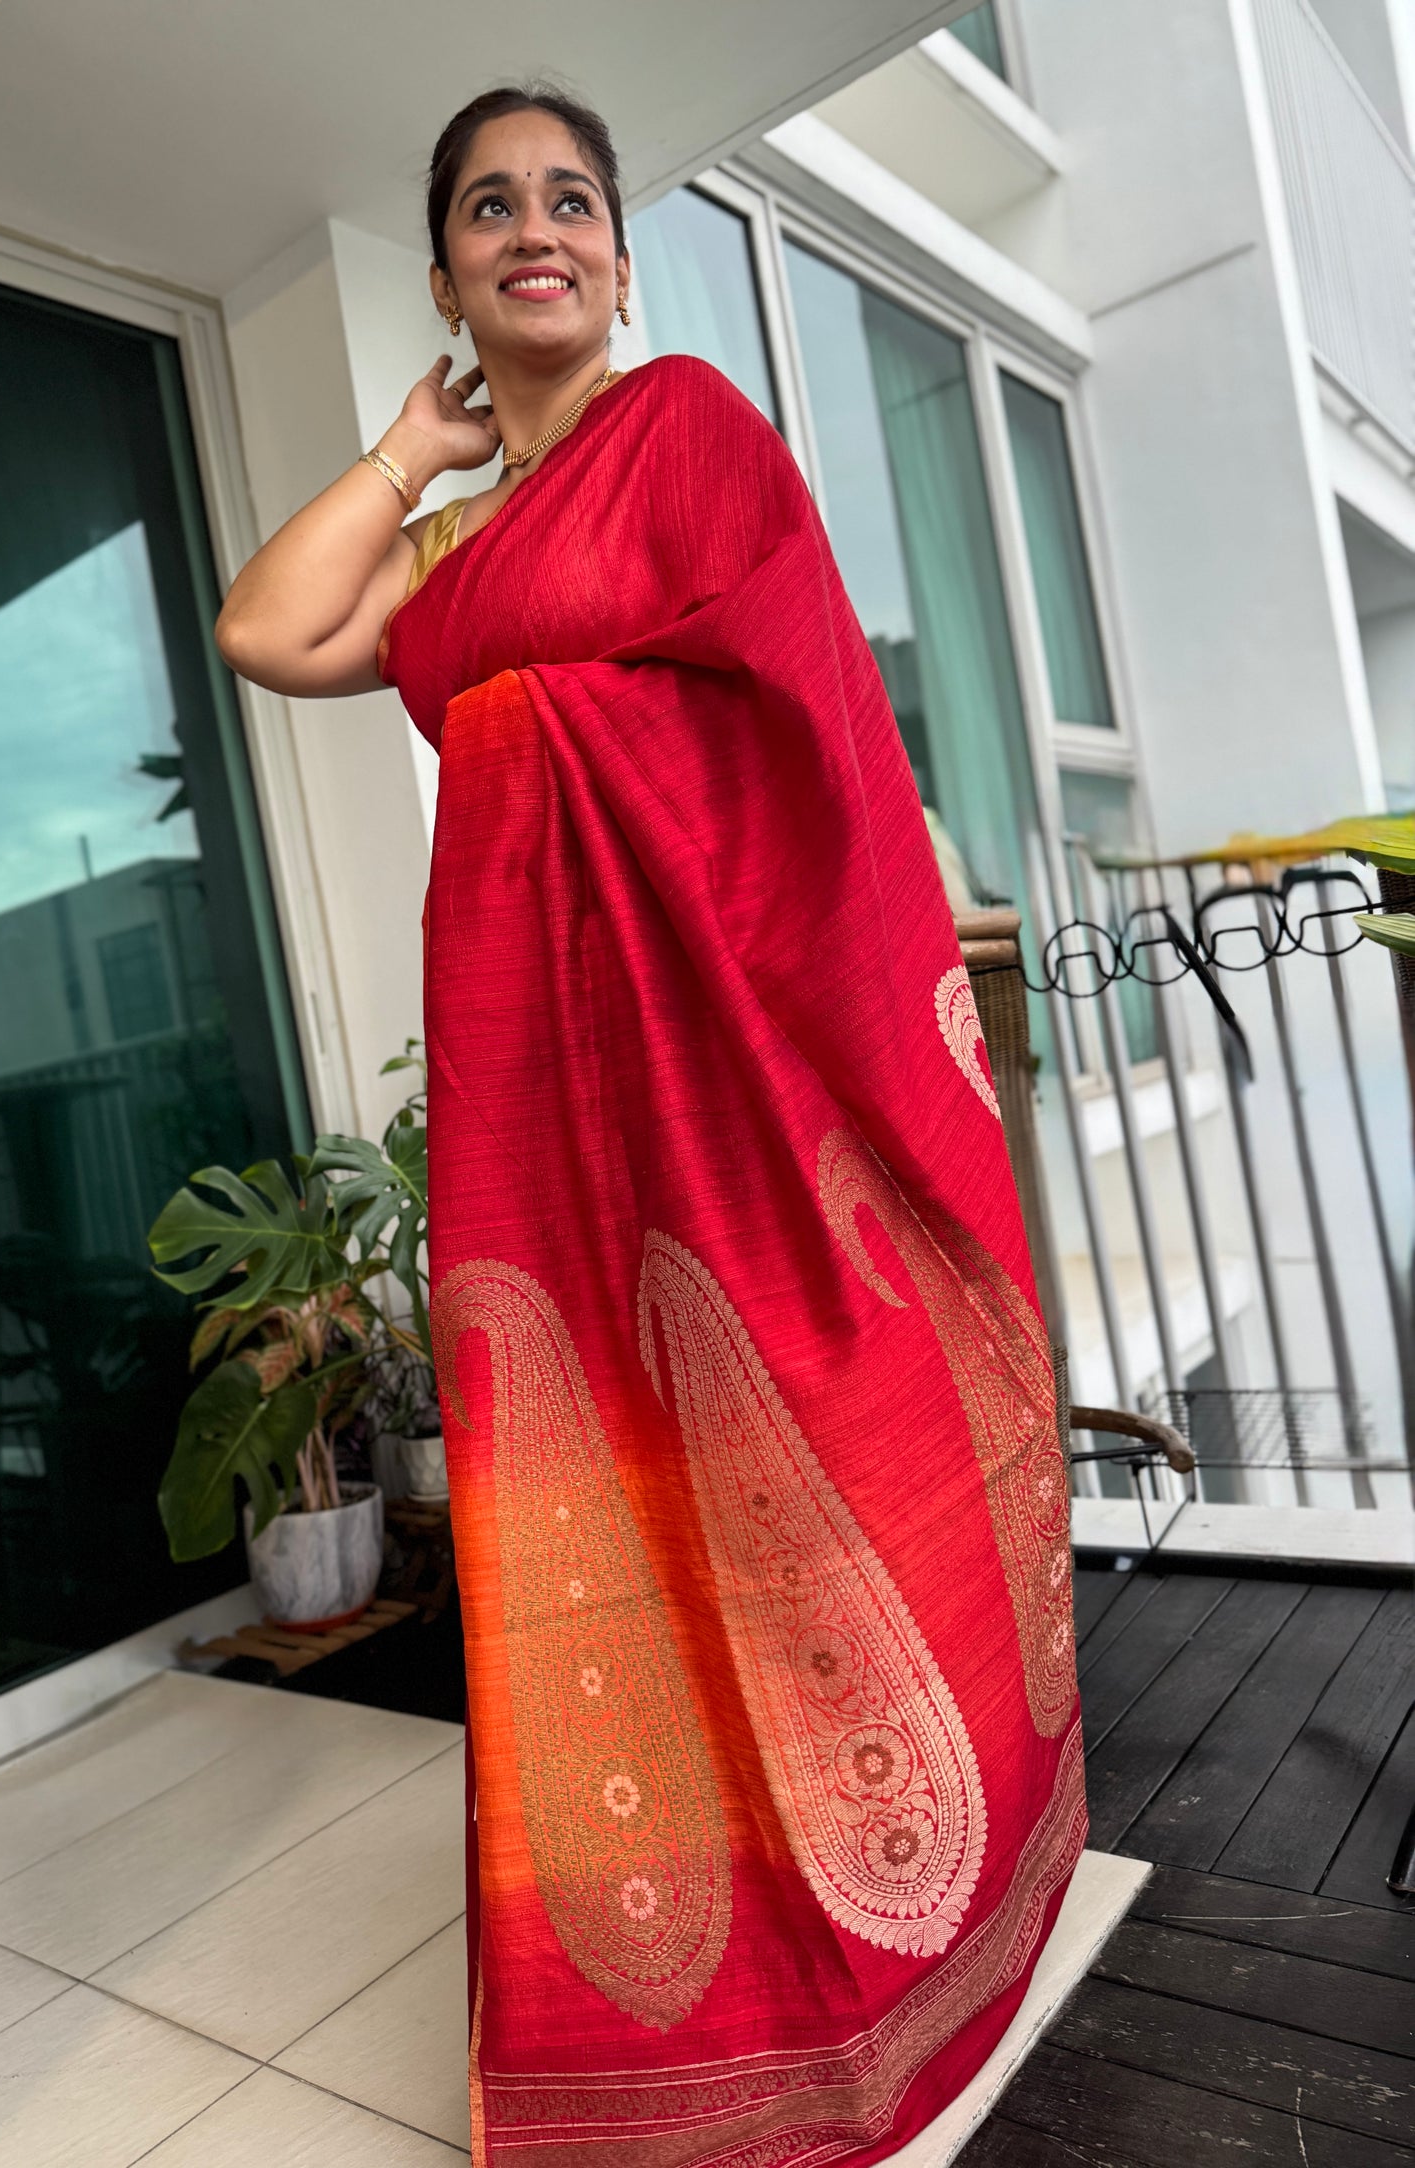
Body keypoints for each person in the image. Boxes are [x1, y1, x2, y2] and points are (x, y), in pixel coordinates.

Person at [216, 83, 1085, 2168]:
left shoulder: (687, 430)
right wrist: (417, 446)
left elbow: (810, 728)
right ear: (444, 275)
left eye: (573, 204)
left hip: (722, 1073)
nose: (539, 232)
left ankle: (885, 1948)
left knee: (795, 1451)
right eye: (492, 210)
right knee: (591, 1511)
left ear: (618, 254)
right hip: (546, 1105)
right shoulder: (453, 545)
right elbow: (270, 627)